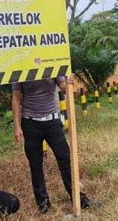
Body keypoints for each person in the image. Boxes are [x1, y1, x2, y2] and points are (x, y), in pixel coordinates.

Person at [12, 75, 95, 213]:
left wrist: (69, 85)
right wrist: (16, 126)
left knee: (65, 158)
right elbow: (16, 97)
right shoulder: (21, 67)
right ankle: (42, 202)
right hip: (30, 123)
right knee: (35, 164)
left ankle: (78, 198)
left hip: (52, 121)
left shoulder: (51, 62)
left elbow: (63, 87)